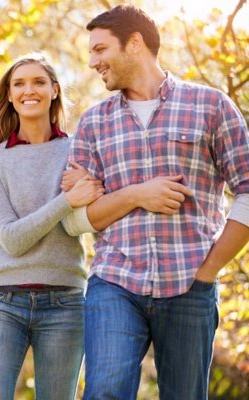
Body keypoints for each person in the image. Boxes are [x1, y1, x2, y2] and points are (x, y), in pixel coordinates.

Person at [63, 5, 249, 400]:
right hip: (115, 280)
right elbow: (76, 221)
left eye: (99, 50)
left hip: (190, 283)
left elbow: (248, 190)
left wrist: (210, 269)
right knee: (106, 391)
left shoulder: (211, 106)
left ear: (135, 44)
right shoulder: (94, 123)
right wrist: (135, 194)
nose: (92, 61)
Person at [0, 52, 105, 400]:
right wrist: (65, 201)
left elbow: (87, 220)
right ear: (10, 95)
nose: (30, 90)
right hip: (2, 301)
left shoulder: (78, 151)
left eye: (39, 82)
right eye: (19, 84)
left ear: (55, 90)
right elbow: (12, 239)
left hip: (65, 302)